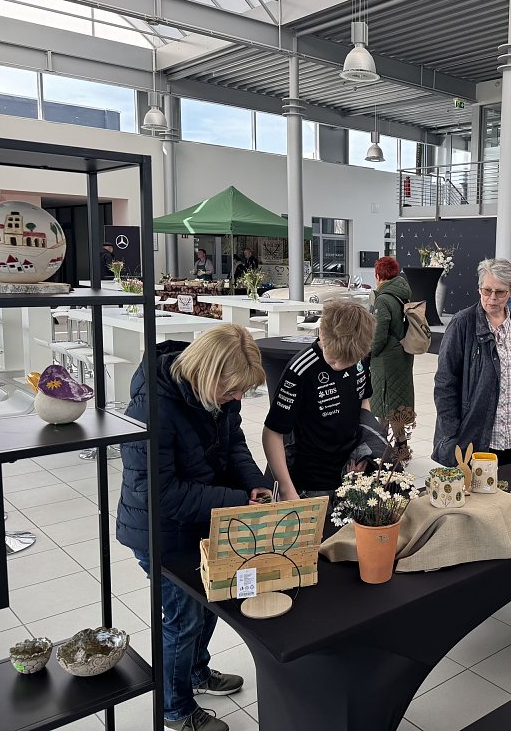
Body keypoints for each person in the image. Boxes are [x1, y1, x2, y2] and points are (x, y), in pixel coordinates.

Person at [115, 324, 273, 731]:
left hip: (201, 518)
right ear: (207, 373)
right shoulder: (152, 407)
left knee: (208, 603)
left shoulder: (215, 394)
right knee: (183, 618)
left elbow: (233, 443)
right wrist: (236, 500)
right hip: (159, 531)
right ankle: (176, 708)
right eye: (232, 390)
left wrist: (253, 483)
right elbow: (159, 494)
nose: (237, 399)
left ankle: (197, 672)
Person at [262, 299, 376, 501]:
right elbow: (272, 433)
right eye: (333, 358)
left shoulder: (360, 355)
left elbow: (363, 402)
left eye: (348, 361)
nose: (339, 365)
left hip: (351, 472)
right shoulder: (300, 370)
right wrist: (287, 490)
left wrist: (365, 450)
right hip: (311, 482)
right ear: (321, 333)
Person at [433, 258, 511, 467]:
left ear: (510, 292)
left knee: (508, 485)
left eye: (500, 292)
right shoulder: (462, 324)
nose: (492, 298)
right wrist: (452, 430)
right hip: (474, 438)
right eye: (486, 290)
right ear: (479, 289)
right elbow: (445, 382)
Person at [369, 256, 415, 450]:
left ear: (378, 275)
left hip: (386, 361)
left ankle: (381, 450)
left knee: (384, 406)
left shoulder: (383, 299)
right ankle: (401, 447)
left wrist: (369, 353)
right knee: (397, 404)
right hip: (402, 355)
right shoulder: (402, 295)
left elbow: (378, 335)